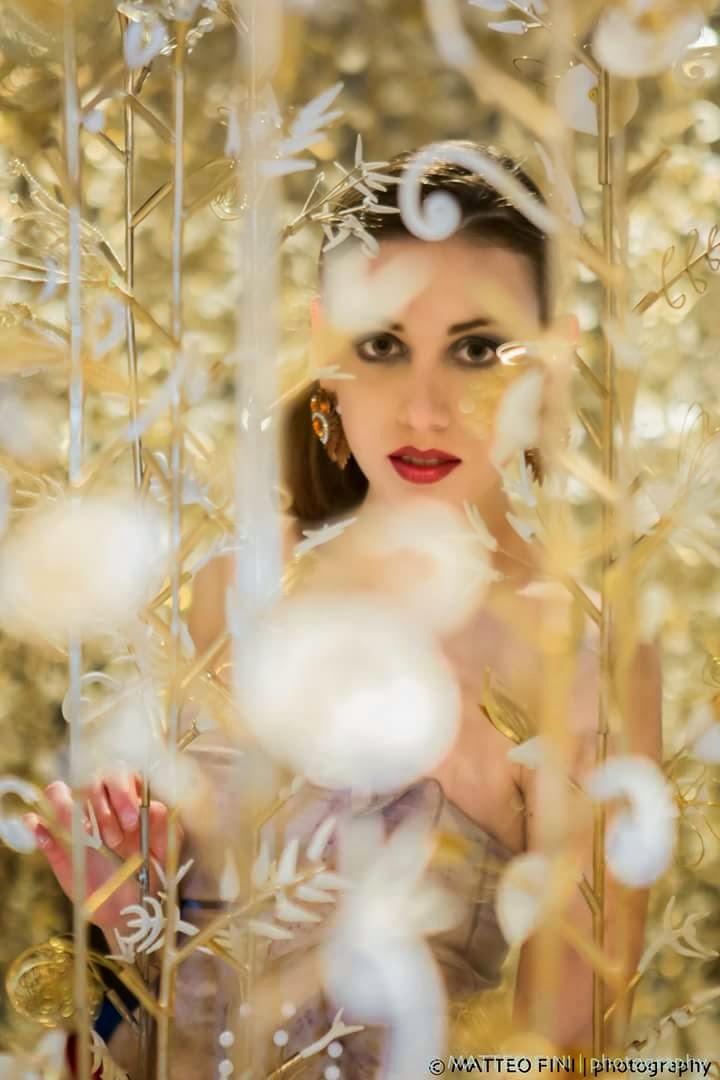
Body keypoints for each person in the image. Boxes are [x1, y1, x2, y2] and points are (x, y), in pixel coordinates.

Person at [31, 141, 663, 1075]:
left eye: (477, 349)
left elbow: (569, 1048)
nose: (424, 410)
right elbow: (154, 1027)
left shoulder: (577, 651)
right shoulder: (227, 593)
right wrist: (129, 919)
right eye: (382, 345)